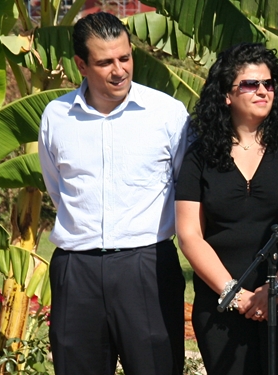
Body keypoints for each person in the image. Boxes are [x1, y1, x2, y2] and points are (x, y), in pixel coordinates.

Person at [38, 12, 190, 375]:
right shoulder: (56, 117)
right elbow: (57, 190)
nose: (119, 70)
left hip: (147, 267)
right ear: (81, 65)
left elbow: (186, 187)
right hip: (77, 272)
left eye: (125, 57)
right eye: (105, 62)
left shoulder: (168, 114)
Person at [175, 42, 278, 375]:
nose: (262, 91)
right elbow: (189, 234)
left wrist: (276, 288)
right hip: (221, 306)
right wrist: (233, 293)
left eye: (268, 84)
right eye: (250, 84)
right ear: (227, 95)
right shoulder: (200, 156)